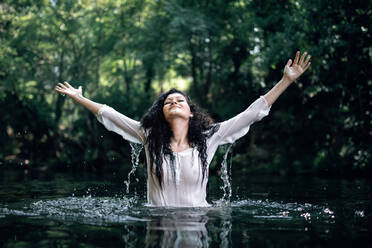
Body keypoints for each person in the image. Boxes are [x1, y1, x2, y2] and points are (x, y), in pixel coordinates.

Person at [55, 51, 311, 207]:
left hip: (197, 224)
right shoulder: (149, 136)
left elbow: (252, 113)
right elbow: (108, 114)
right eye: (168, 102)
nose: (174, 102)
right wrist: (79, 98)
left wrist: (286, 80)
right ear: (162, 113)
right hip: (156, 225)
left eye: (180, 100)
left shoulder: (211, 137)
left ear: (190, 111)